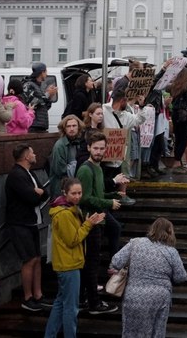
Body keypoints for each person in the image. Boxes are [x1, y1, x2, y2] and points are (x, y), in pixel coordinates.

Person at [44, 178, 104, 338]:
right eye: (74, 193)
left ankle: (50, 335)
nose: (78, 196)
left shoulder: (68, 209)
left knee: (60, 303)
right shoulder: (64, 213)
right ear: (65, 193)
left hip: (68, 263)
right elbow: (73, 239)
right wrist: (88, 224)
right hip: (69, 264)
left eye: (79, 193)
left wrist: (88, 223)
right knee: (71, 307)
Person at [110, 218, 187, 338]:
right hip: (159, 297)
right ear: (169, 232)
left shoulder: (135, 242)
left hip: (134, 295)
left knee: (131, 332)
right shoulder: (171, 252)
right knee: (157, 332)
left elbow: (116, 261)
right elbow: (180, 277)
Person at [76, 132, 121, 315]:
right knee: (91, 263)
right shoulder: (86, 169)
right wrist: (108, 203)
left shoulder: (98, 168)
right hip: (90, 221)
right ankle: (93, 302)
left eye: (102, 148)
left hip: (98, 220)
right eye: (95, 148)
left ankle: (85, 299)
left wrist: (114, 196)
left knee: (91, 263)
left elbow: (98, 193)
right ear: (88, 148)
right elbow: (84, 198)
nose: (99, 151)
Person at [5, 143, 50, 312]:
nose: (35, 154)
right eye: (32, 152)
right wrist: (36, 193)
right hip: (19, 224)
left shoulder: (29, 173)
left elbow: (44, 192)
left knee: (37, 258)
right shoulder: (16, 175)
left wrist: (38, 192)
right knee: (29, 259)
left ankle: (38, 295)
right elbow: (31, 197)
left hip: (32, 221)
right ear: (26, 156)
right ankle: (28, 297)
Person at [49, 115, 85, 205]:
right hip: (61, 189)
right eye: (68, 126)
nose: (71, 129)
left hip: (73, 189)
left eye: (74, 126)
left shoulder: (79, 143)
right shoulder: (60, 145)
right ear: (64, 129)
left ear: (79, 127)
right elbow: (60, 170)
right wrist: (75, 166)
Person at [22, 62, 58, 133]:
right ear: (42, 72)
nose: (46, 74)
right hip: (34, 125)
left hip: (41, 125)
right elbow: (32, 104)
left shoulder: (38, 86)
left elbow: (44, 107)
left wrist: (50, 96)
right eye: (45, 71)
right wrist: (47, 94)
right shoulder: (28, 85)